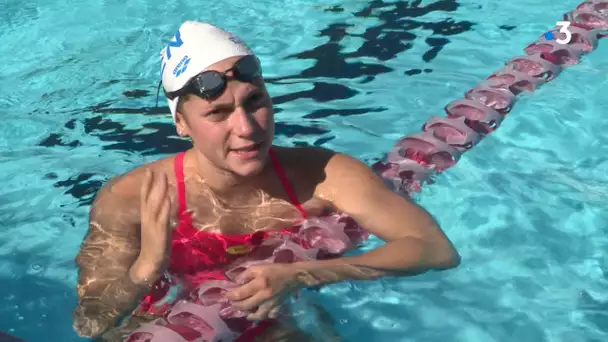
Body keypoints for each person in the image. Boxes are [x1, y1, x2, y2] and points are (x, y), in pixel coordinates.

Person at [71, 21, 460, 341]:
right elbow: (92, 323)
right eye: (218, 113)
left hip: (275, 323)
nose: (246, 128)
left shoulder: (323, 174)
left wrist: (305, 272)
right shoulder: (130, 197)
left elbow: (434, 249)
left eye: (255, 101)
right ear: (181, 124)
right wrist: (148, 265)